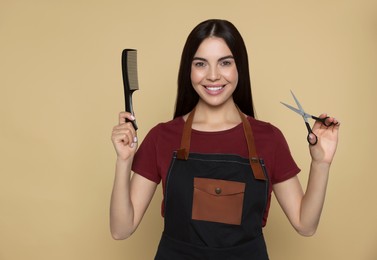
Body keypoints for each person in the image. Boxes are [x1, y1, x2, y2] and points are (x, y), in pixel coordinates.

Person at [110, 19, 340, 259]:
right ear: (188, 69)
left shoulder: (269, 138)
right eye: (201, 64)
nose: (212, 76)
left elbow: (306, 224)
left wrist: (321, 163)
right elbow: (121, 230)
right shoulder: (162, 137)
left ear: (239, 67)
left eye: (225, 63)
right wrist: (123, 161)